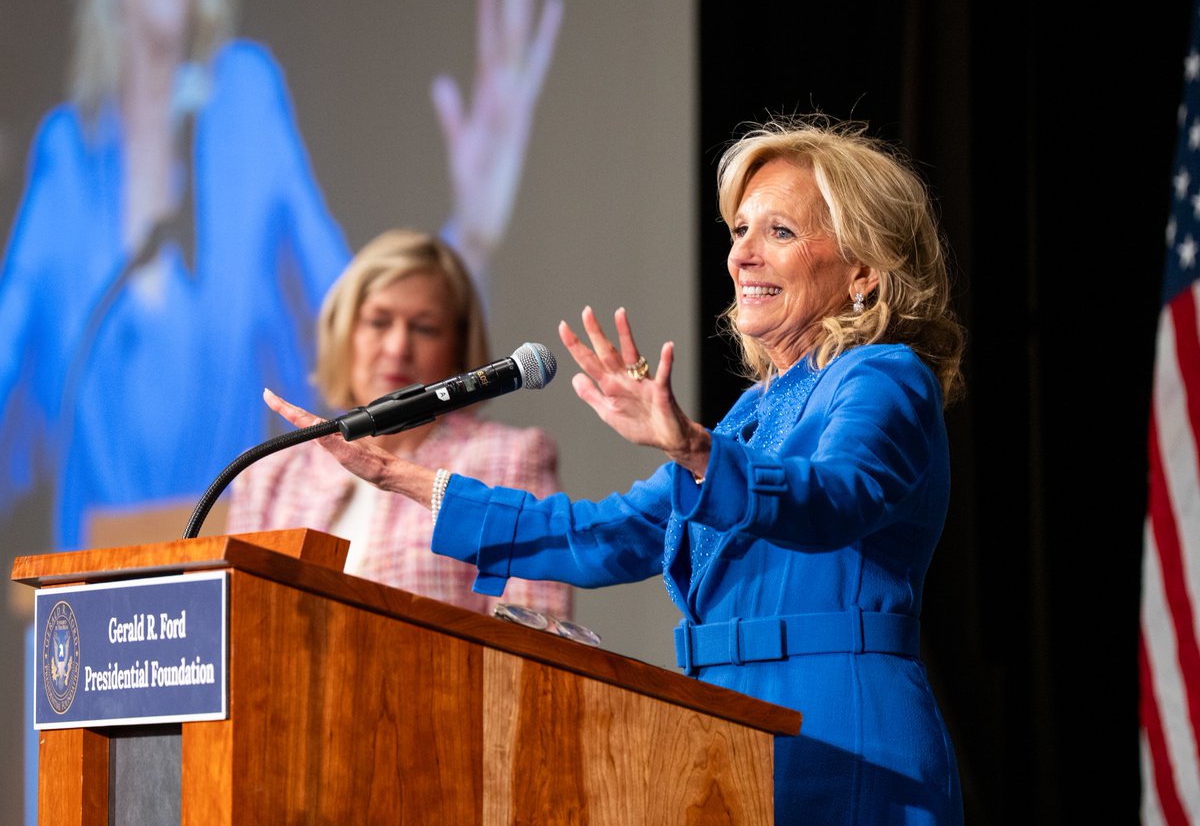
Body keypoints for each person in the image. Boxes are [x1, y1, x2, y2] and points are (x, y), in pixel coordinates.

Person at [262, 115, 966, 824]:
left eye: (778, 232)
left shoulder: (882, 377)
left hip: (844, 736)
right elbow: (607, 535)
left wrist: (695, 452)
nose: (743, 256)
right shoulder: (751, 413)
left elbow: (835, 499)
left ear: (864, 272)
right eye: (739, 231)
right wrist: (403, 478)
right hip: (728, 733)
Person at [0, 0, 562, 555]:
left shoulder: (245, 101)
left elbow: (353, 319)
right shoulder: (63, 155)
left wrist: (471, 234)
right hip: (86, 588)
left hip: (231, 552)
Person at [227, 229, 573, 618]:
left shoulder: (508, 460)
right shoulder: (270, 474)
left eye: (424, 328)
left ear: (459, 347)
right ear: (344, 333)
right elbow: (235, 623)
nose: (397, 348)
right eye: (378, 322)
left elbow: (537, 632)